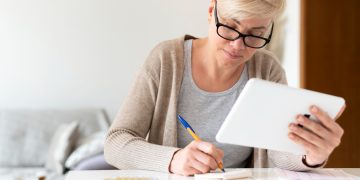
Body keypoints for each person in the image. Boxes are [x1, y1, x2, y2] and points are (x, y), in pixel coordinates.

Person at [104, 0, 345, 176]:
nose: (237, 45)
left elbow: (276, 152)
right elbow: (115, 143)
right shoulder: (166, 59)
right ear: (211, 12)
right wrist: (173, 159)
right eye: (230, 27)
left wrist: (311, 155)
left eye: (255, 35)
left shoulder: (267, 68)